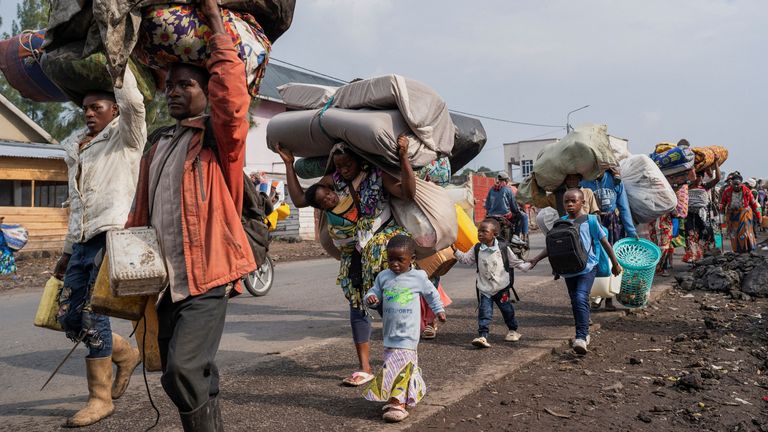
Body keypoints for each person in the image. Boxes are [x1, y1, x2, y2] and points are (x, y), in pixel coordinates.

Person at [125, 1, 255, 429]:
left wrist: (216, 22)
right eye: (171, 86)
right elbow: (140, 214)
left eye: (187, 85)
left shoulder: (218, 141)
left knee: (183, 369)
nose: (175, 92)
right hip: (164, 282)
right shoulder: (159, 145)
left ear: (206, 92)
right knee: (177, 372)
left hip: (207, 279)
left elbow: (233, 101)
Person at [278, 135, 416, 387]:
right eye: (338, 165)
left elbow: (407, 193)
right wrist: (288, 164)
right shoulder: (333, 182)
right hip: (353, 254)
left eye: (347, 165)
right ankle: (364, 367)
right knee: (358, 305)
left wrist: (404, 157)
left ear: (360, 161)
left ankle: (402, 359)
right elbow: (301, 200)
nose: (342, 170)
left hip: (383, 251)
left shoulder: (377, 175)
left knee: (392, 307)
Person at [50, 63, 145, 426]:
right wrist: (66, 251)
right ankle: (125, 354)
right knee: (70, 317)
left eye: (97, 107)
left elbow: (135, 104)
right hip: (83, 241)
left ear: (115, 110)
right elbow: (77, 205)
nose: (89, 113)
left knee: (94, 315)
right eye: (86, 109)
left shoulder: (126, 138)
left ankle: (99, 398)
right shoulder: (78, 149)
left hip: (114, 235)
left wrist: (118, 64)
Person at [529, 189, 622, 355]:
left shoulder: (592, 221)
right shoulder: (561, 222)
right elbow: (552, 245)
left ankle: (581, 336)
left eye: (573, 201)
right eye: (566, 202)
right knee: (576, 300)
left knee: (580, 296)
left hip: (588, 267)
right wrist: (536, 259)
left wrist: (615, 263)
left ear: (582, 203)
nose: (570, 204)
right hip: (568, 268)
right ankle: (583, 330)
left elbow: (605, 242)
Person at [363, 235, 445, 423]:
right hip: (390, 332)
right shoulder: (384, 276)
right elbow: (373, 291)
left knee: (399, 365)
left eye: (400, 260)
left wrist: (439, 310)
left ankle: (397, 403)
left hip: (409, 333)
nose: (395, 264)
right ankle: (409, 394)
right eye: (391, 259)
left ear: (412, 259)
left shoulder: (418, 277)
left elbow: (432, 294)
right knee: (395, 364)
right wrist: (371, 298)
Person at [453, 218, 531, 348]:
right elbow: (466, 259)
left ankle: (513, 330)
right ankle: (483, 336)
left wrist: (529, 264)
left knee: (507, 310)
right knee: (484, 313)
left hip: (502, 289)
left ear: (494, 234)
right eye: (479, 231)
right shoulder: (477, 248)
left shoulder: (503, 248)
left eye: (484, 231)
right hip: (485, 289)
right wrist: (455, 251)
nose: (480, 234)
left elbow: (515, 262)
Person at [580, 169, 638, 243]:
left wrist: (631, 231)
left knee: (615, 249)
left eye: (598, 167)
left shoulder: (615, 181)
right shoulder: (584, 183)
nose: (596, 169)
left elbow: (624, 207)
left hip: (613, 223)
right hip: (595, 223)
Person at [683, 163, 720, 263]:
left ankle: (703, 258)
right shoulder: (686, 187)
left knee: (705, 235)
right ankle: (693, 259)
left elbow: (717, 179)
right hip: (690, 215)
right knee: (691, 236)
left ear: (702, 178)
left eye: (699, 176)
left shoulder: (705, 186)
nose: (697, 178)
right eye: (696, 176)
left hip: (703, 215)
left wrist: (716, 164)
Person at [721, 173, 761, 253]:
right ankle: (737, 250)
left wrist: (759, 216)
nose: (736, 186)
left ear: (741, 183)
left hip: (744, 215)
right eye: (734, 184)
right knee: (734, 234)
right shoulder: (727, 191)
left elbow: (754, 204)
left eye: (737, 184)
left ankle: (747, 249)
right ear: (732, 183)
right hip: (732, 216)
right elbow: (723, 203)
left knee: (745, 232)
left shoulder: (747, 191)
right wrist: (721, 210)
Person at [531, 173, 600, 217]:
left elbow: (594, 212)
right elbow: (538, 202)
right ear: (565, 180)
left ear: (579, 179)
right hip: (566, 228)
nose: (572, 181)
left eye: (574, 178)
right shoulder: (558, 195)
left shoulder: (587, 192)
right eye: (569, 179)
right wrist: (534, 181)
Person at [484, 172, 522, 239]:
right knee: (520, 216)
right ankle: (516, 236)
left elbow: (487, 206)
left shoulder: (491, 189)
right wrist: (517, 211)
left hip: (491, 216)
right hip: (504, 215)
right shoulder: (508, 189)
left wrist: (489, 213)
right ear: (506, 180)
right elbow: (513, 205)